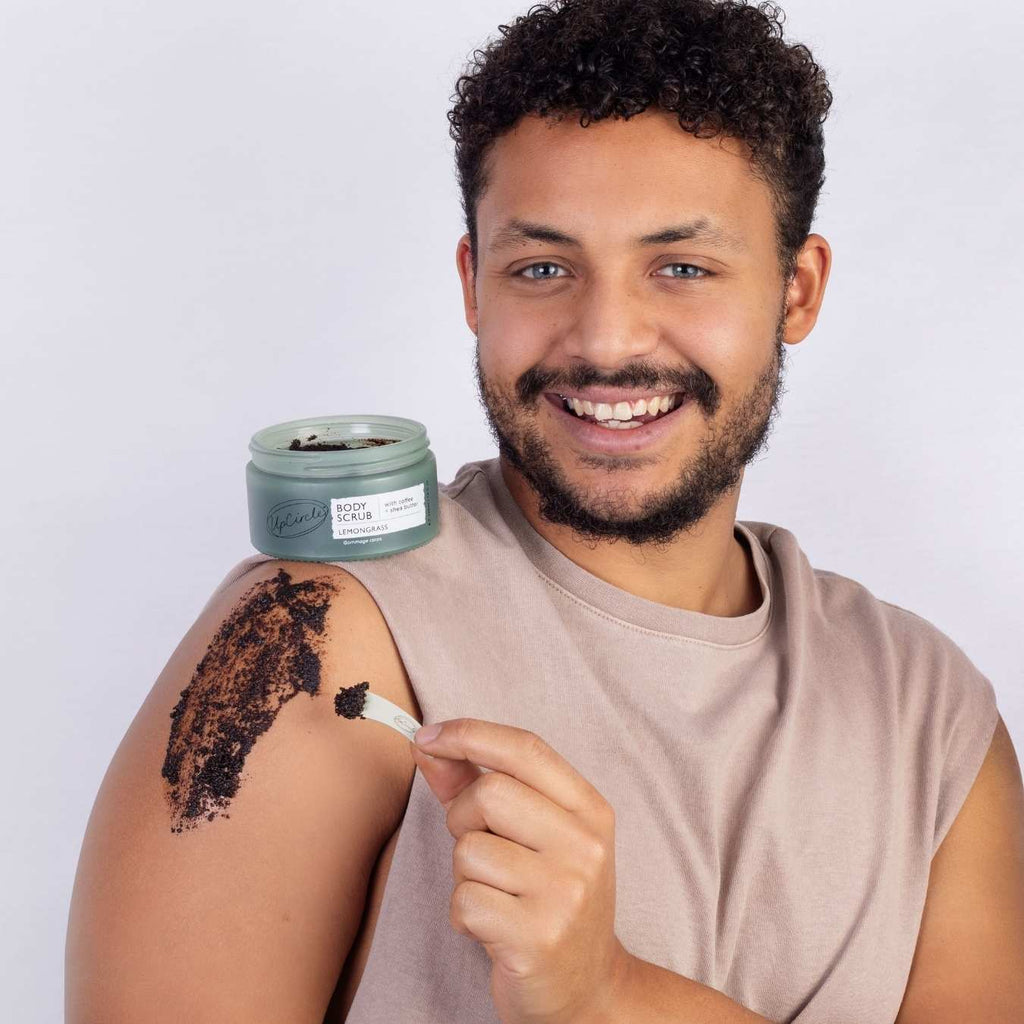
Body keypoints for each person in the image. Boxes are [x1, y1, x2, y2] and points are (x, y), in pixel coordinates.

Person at [65, 1, 1024, 1021]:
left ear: (796, 288)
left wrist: (609, 995)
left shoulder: (934, 720)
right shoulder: (312, 636)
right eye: (543, 268)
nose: (607, 339)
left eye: (682, 267)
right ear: (475, 285)